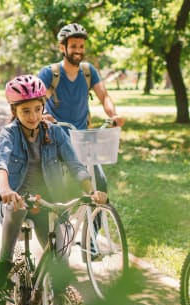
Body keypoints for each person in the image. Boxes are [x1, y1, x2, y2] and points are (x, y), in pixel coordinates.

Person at [0, 75, 108, 277]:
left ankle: (56, 303)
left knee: (60, 263)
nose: (33, 116)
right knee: (16, 207)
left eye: (37, 109)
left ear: (43, 107)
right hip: (18, 198)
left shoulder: (55, 133)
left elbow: (75, 164)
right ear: (14, 110)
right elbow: (0, 164)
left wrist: (91, 191)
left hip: (47, 201)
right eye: (25, 111)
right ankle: (4, 262)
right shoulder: (9, 134)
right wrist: (5, 190)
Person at [38, 22, 125, 194]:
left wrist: (114, 115)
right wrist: (44, 114)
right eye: (73, 46)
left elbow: (104, 96)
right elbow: (38, 102)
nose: (78, 50)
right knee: (58, 189)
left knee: (99, 184)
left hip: (83, 138)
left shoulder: (88, 71)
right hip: (57, 139)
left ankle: (97, 220)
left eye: (81, 46)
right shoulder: (51, 73)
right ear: (62, 48)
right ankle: (58, 219)